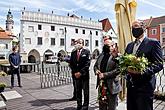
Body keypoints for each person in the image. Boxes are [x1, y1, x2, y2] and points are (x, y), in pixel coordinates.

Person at [125, 20, 163, 110]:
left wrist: (141, 72)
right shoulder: (129, 45)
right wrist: (116, 57)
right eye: (132, 28)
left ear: (144, 28)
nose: (134, 29)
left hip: (145, 87)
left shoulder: (153, 43)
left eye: (136, 26)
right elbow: (124, 63)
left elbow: (159, 64)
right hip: (131, 86)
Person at [94, 39, 121, 110]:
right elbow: (95, 65)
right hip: (101, 85)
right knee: (102, 106)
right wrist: (96, 70)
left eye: (107, 45)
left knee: (112, 107)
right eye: (104, 45)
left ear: (112, 46)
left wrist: (104, 75)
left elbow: (118, 70)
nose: (105, 47)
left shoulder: (117, 56)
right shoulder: (101, 55)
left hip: (112, 86)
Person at [69, 38, 90, 110]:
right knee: (78, 91)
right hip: (76, 76)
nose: (78, 44)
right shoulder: (73, 53)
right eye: (77, 42)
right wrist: (75, 72)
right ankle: (79, 105)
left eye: (80, 43)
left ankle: (85, 106)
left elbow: (87, 64)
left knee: (86, 92)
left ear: (83, 44)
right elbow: (71, 64)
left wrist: (80, 72)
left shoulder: (86, 52)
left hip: (84, 76)